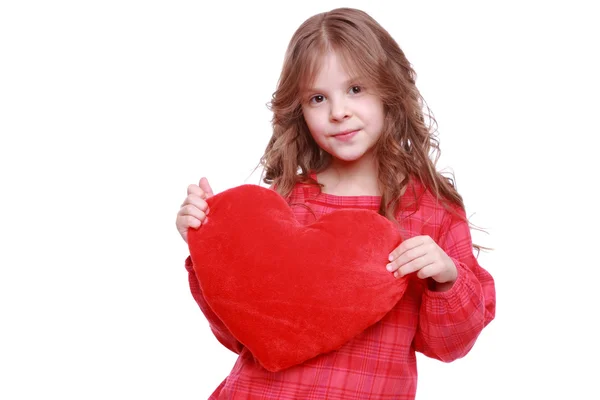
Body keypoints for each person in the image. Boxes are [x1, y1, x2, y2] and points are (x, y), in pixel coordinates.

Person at [175, 7, 495, 399]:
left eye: (356, 89)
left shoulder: (430, 211)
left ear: (389, 89)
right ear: (300, 110)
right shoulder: (286, 206)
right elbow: (243, 336)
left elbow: (449, 346)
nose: (339, 111)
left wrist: (446, 278)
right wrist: (206, 244)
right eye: (318, 97)